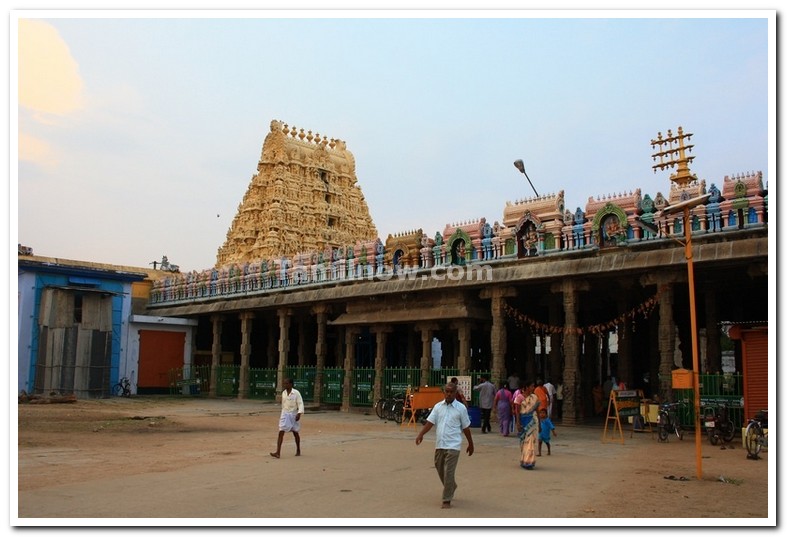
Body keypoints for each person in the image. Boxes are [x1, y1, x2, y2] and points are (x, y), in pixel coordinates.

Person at [415, 383, 474, 509]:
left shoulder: (461, 408)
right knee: (439, 466)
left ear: (455, 393)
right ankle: (451, 486)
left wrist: (470, 443)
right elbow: (430, 422)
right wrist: (421, 434)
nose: (448, 394)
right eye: (446, 391)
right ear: (444, 392)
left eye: (451, 392)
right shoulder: (438, 407)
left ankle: (446, 499)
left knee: (449, 472)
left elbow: (466, 428)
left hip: (454, 445)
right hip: (440, 444)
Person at [270, 378, 304, 459]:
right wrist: (283, 413)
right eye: (284, 383)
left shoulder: (296, 393)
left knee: (295, 432)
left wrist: (299, 414)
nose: (285, 385)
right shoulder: (283, 393)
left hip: (293, 414)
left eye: (287, 383)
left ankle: (298, 449)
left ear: (291, 384)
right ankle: (278, 452)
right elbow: (283, 404)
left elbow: (300, 403)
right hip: (285, 413)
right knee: (281, 431)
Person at [514, 380, 540, 470]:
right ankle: (524, 459)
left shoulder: (534, 397)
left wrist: (539, 422)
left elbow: (537, 410)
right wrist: (518, 423)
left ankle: (529, 461)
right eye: (532, 386)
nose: (533, 388)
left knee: (531, 442)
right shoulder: (519, 398)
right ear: (526, 387)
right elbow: (517, 412)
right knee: (524, 442)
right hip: (523, 421)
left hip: (533, 421)